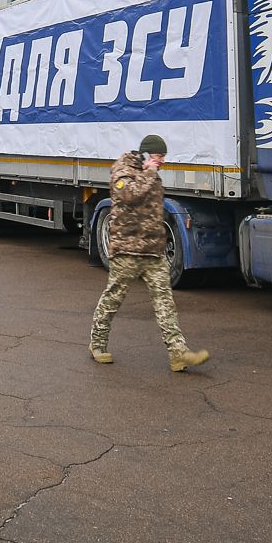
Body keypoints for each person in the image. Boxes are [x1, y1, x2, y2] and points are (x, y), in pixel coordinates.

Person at [89, 134, 209, 372]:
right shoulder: (123, 171)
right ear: (145, 154)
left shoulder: (150, 173)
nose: (162, 160)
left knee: (165, 302)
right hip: (127, 250)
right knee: (113, 299)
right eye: (158, 156)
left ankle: (178, 353)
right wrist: (149, 173)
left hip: (153, 252)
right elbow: (129, 196)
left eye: (163, 156)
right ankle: (97, 343)